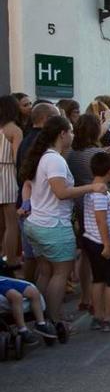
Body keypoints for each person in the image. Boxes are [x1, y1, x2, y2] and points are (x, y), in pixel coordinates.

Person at [20, 116, 106, 328]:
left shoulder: (44, 156)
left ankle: (42, 317)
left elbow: (33, 187)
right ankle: (55, 319)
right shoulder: (55, 160)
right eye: (70, 131)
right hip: (53, 225)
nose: (73, 134)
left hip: (38, 223)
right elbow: (61, 192)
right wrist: (91, 188)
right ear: (62, 134)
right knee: (60, 273)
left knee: (46, 271)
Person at [80, 152, 110, 332]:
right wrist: (107, 244)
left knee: (98, 278)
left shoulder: (92, 189)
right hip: (104, 242)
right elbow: (101, 220)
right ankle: (108, 318)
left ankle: (98, 316)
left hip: (91, 239)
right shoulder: (100, 193)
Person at [0, 276, 57, 344]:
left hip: (3, 280)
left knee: (34, 292)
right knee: (16, 296)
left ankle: (41, 324)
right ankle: (22, 330)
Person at [0, 96, 22, 269]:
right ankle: (11, 258)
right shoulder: (14, 130)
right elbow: (17, 158)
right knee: (11, 222)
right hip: (6, 173)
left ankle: (2, 254)